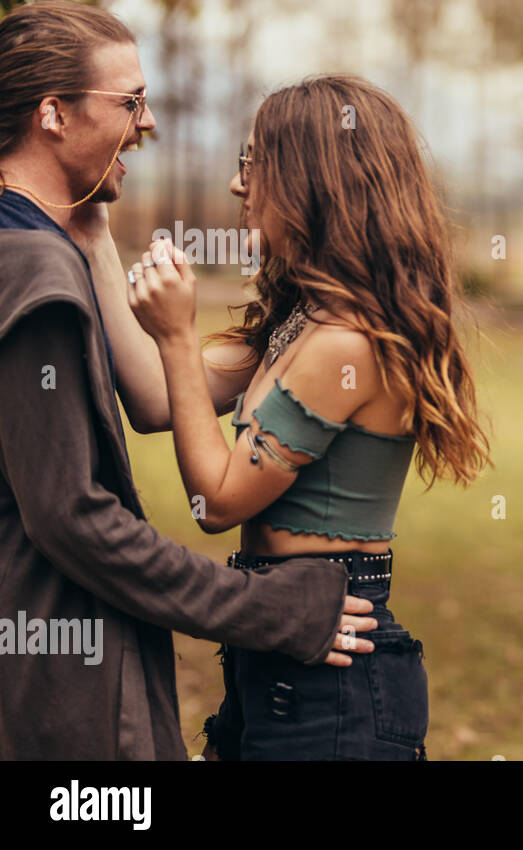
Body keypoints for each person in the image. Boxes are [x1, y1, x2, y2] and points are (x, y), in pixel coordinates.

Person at [0, 0, 376, 760]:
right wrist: (264, 610)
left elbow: (155, 402)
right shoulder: (35, 267)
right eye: (130, 101)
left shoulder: (41, 248)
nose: (147, 123)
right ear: (53, 115)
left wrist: (92, 234)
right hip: (55, 681)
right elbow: (72, 516)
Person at [84, 74, 491, 760]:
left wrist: (178, 336)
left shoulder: (345, 345)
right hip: (279, 646)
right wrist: (93, 226)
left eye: (253, 163)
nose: (237, 185)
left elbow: (216, 502)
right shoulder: (300, 319)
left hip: (334, 683)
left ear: (310, 179)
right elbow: (157, 399)